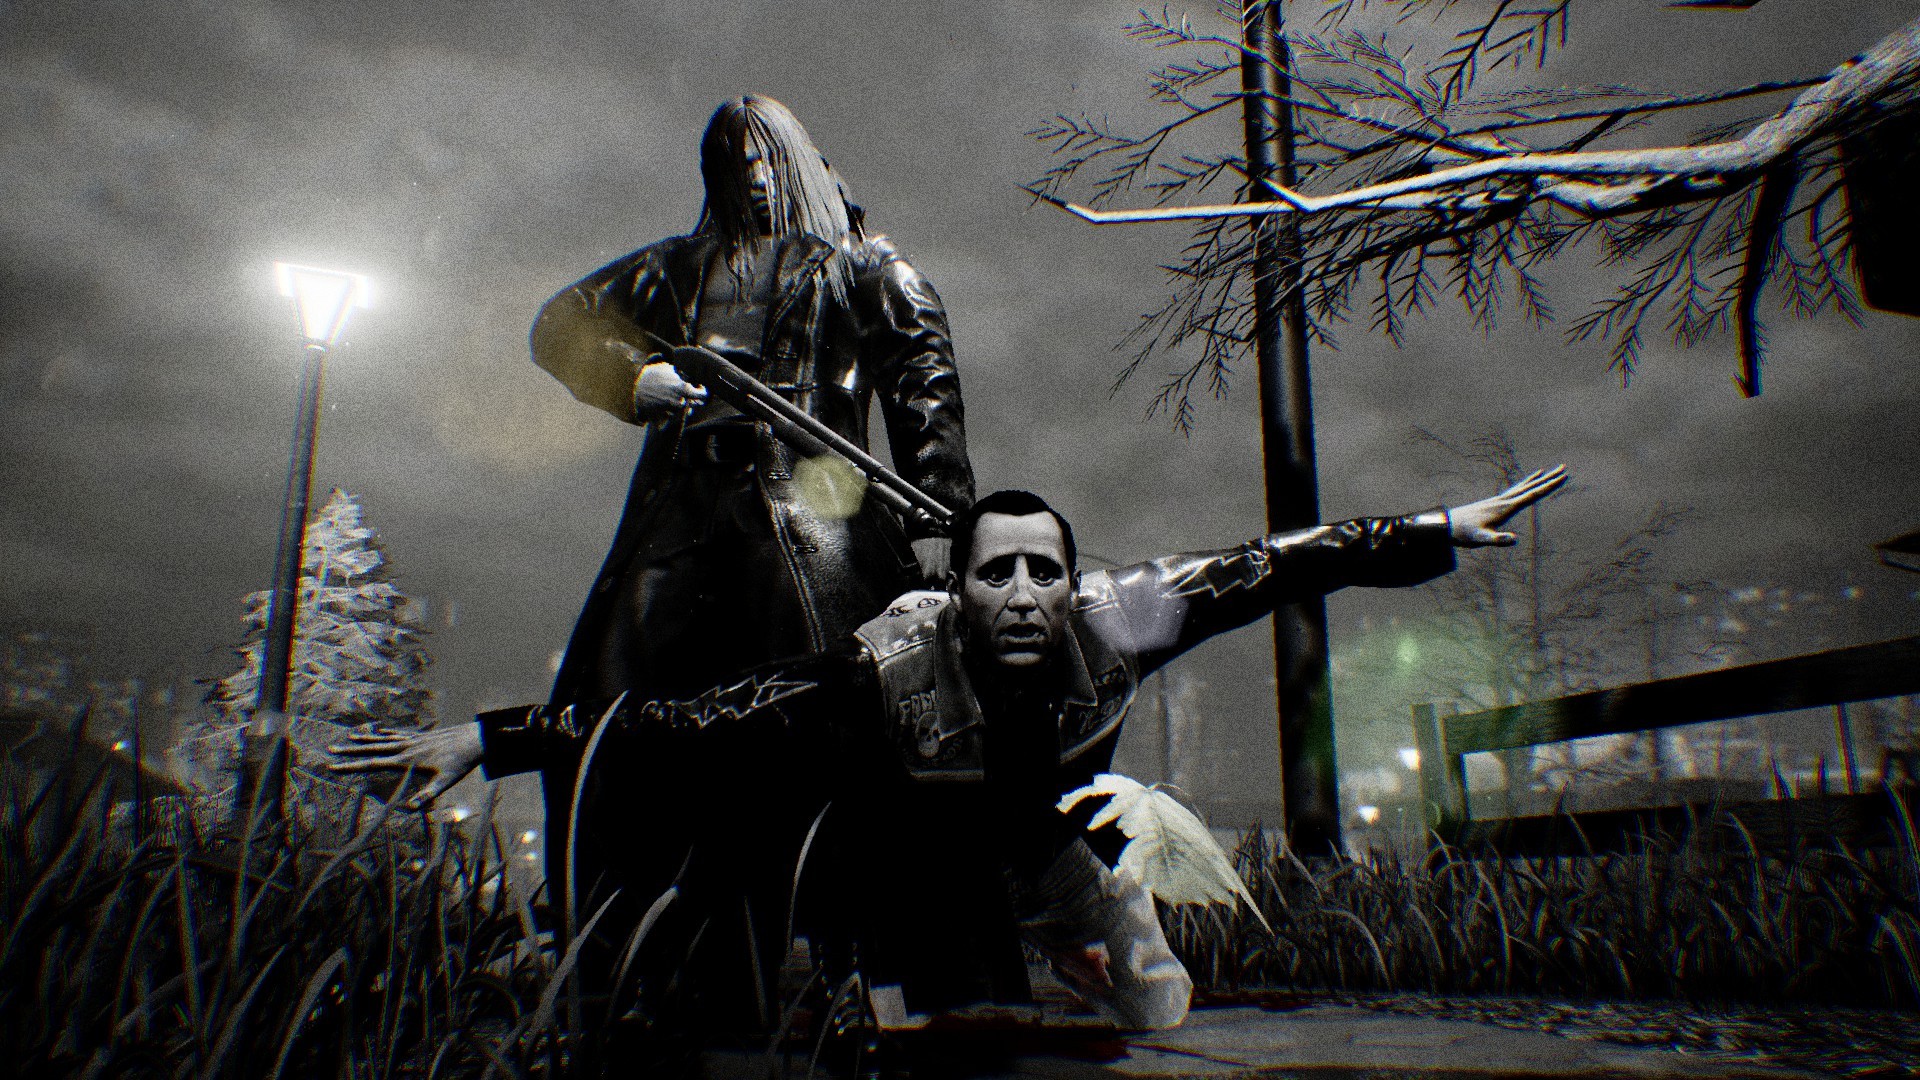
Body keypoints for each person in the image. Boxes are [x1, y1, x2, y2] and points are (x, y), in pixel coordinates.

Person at [336, 467, 1567, 1035]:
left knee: (1158, 1015)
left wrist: (1432, 529)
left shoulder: (1126, 619)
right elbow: (696, 720)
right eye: (996, 573)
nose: (1023, 593)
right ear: (962, 591)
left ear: (1074, 583)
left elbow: (1276, 566)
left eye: (1044, 571)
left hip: (1055, 851)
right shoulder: (887, 666)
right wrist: (495, 737)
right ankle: (894, 969)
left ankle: (1086, 941)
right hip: (916, 863)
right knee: (937, 999)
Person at [511, 93, 974, 1025]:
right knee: (612, 708)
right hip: (681, 510)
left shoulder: (861, 264)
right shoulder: (672, 266)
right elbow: (559, 324)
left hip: (816, 510)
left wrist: (945, 513)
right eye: (732, 160)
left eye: (766, 156)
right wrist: (630, 379)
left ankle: (861, 964)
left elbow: (924, 384)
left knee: (832, 717)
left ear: (793, 158)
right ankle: (638, 962)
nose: (752, 176)